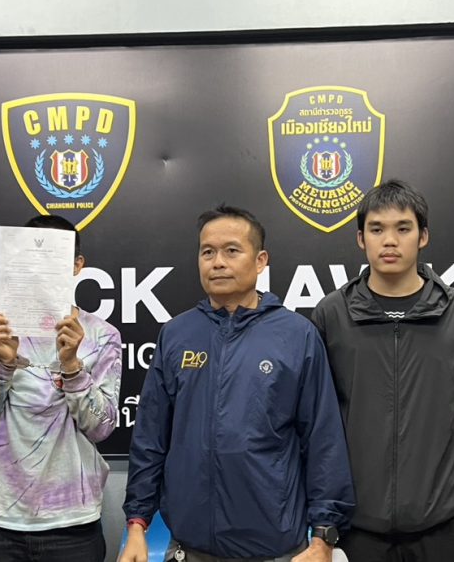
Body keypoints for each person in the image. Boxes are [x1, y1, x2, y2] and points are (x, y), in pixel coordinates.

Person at [121, 205, 354, 562]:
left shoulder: (297, 336)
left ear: (260, 261)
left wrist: (324, 536)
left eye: (232, 251)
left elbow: (323, 441)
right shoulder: (177, 334)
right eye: (207, 252)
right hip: (189, 549)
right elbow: (151, 437)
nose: (217, 263)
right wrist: (137, 525)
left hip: (276, 551)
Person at [310, 179, 454, 562]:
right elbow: (319, 412)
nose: (390, 241)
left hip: (446, 520)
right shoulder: (331, 315)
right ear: (361, 239)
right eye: (377, 229)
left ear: (423, 236)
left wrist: (438, 448)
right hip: (358, 524)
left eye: (403, 228)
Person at [0, 214, 122, 562]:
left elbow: (102, 427)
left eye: (53, 256)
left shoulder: (101, 335)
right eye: (31, 255)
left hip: (73, 522)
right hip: (0, 520)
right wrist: (2, 366)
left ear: (77, 265)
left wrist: (73, 367)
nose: (40, 266)